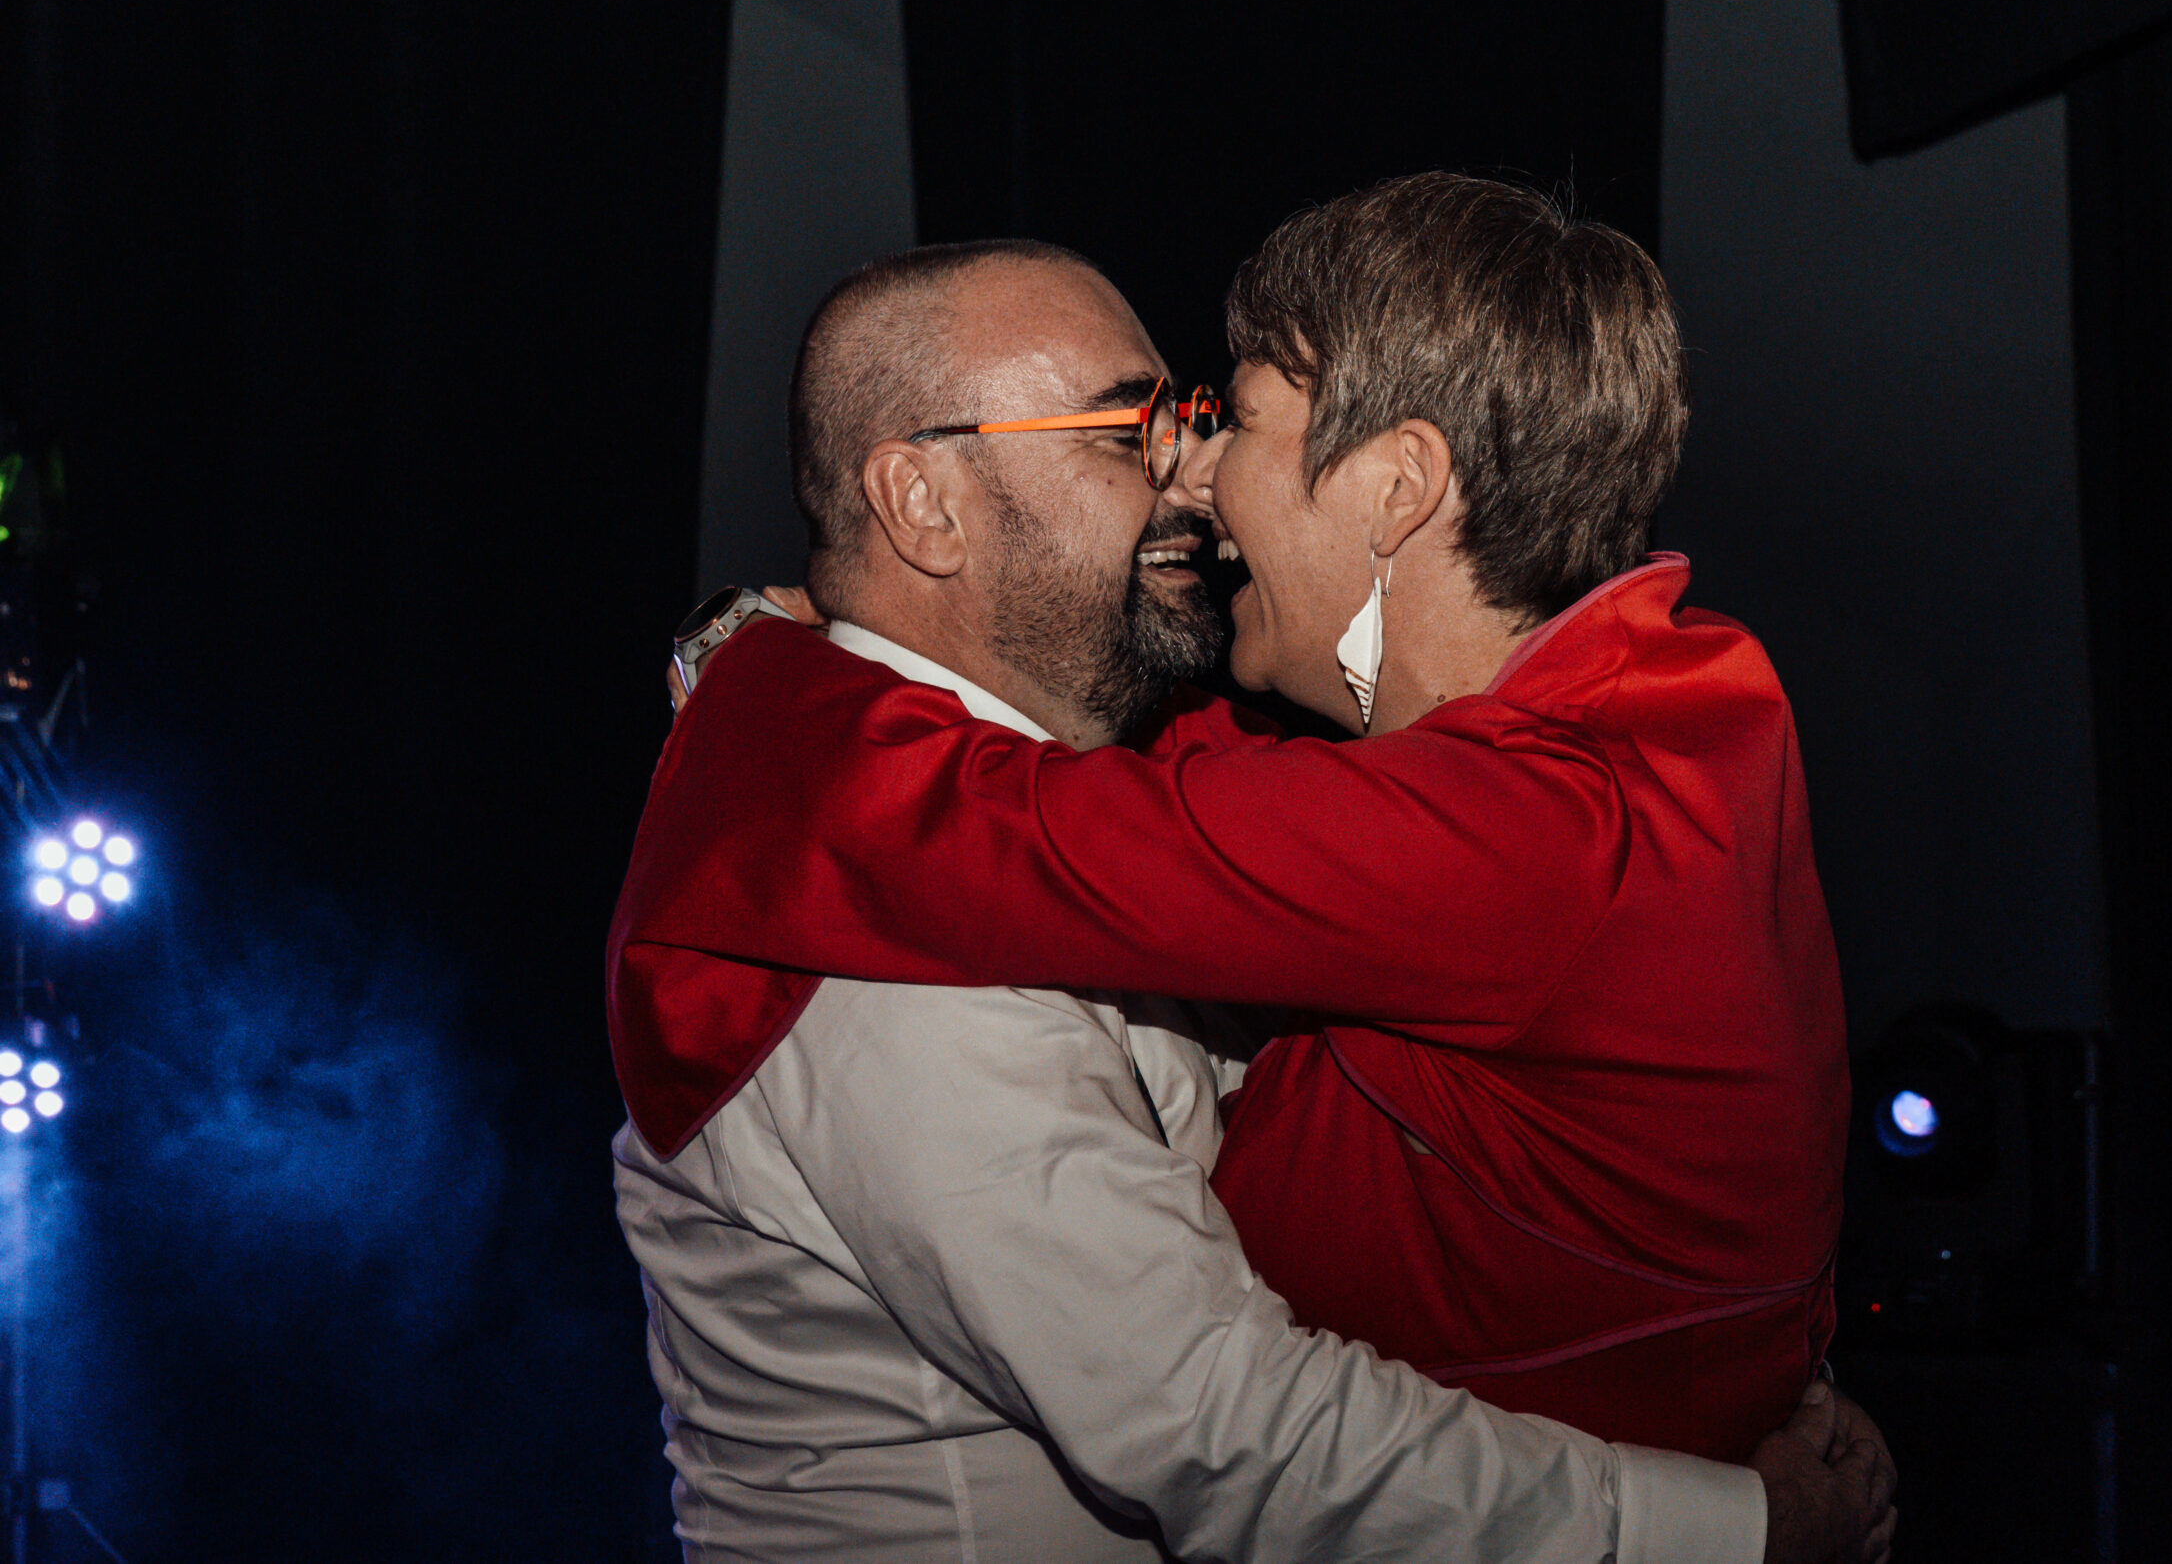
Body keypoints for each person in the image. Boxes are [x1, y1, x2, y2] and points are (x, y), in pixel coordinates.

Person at [610, 235, 1894, 1563]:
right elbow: (1224, 1425)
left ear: (1400, 486)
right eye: (1130, 430)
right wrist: (1734, 1516)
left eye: (1211, 423)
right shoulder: (856, 931)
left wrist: (761, 695)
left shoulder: (914, 832)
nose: (1193, 476)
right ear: (923, 504)